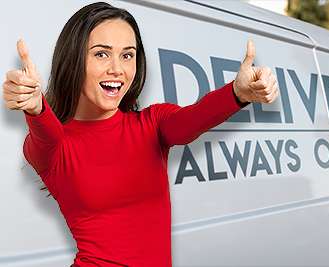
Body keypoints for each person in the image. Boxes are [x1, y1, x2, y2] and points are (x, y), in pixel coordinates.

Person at [2, 2, 278, 267]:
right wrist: (36, 107)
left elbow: (191, 121)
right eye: (101, 53)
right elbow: (46, 134)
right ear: (74, 59)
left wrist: (236, 93)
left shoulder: (152, 123)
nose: (117, 69)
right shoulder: (55, 146)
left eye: (127, 55)